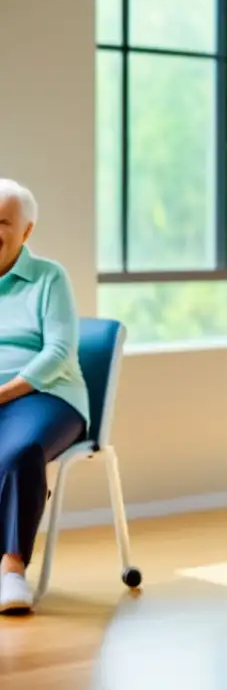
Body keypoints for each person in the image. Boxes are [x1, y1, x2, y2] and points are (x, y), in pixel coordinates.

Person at [0, 177, 89, 614]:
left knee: (20, 451)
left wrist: (6, 392)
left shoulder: (49, 278)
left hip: (46, 394)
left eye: (1, 222)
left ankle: (11, 570)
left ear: (26, 231)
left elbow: (59, 351)